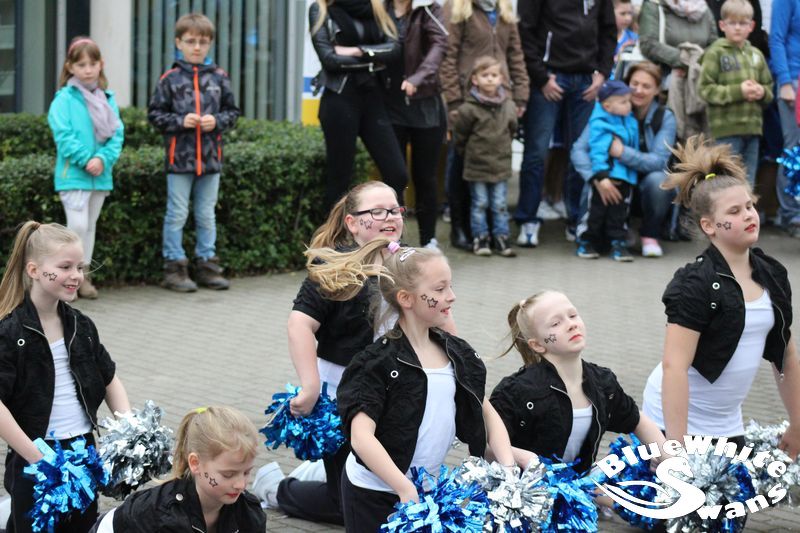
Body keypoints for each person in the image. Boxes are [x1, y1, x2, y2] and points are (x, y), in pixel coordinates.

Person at [310, 238, 515, 531]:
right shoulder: (375, 363)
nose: (452, 297)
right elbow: (361, 438)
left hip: (427, 490)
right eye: (440, 289)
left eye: (450, 286)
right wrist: (404, 488)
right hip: (374, 494)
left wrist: (507, 468)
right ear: (406, 299)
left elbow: (486, 411)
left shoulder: (457, 353)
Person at [641, 136, 800, 459]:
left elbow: (786, 355)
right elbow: (674, 367)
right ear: (709, 225)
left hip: (727, 425)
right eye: (735, 211)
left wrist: (798, 424)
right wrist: (675, 448)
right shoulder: (696, 282)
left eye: (750, 206)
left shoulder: (772, 274)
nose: (749, 215)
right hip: (673, 422)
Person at [263, 182, 407, 525]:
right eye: (377, 211)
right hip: (344, 398)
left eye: (395, 209)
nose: (389, 217)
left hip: (399, 394)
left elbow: (441, 321)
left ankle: (331, 477)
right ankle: (276, 489)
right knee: (349, 508)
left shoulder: (410, 263)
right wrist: (310, 386)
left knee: (389, 492)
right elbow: (299, 324)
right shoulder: (335, 267)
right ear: (352, 223)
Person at [0, 221, 131, 533]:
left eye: (80, 267)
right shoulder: (10, 332)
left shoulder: (81, 325)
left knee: (83, 525)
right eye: (65, 267)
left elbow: (109, 377)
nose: (76, 276)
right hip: (36, 455)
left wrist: (129, 428)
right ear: (34, 270)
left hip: (83, 450)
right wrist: (37, 458)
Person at [490, 290, 665, 474]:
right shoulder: (516, 391)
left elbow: (636, 420)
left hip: (579, 486)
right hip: (527, 488)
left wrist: (668, 457)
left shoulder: (602, 382)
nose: (571, 325)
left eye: (572, 315)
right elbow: (485, 444)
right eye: (556, 323)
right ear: (537, 345)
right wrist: (524, 459)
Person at [148, 13, 240, 293]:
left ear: (210, 43)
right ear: (179, 42)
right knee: (176, 214)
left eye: (202, 42)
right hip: (179, 161)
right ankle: (174, 267)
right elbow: (154, 115)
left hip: (211, 161)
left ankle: (207, 265)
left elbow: (232, 113)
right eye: (190, 41)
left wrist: (217, 121)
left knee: (206, 214)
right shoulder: (169, 79)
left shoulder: (220, 77)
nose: (196, 47)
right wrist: (180, 121)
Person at [516, 0, 616, 247]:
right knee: (536, 152)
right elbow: (525, 30)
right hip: (549, 77)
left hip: (586, 80)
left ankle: (576, 220)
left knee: (579, 153)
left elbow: (608, 29)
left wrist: (603, 73)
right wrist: (540, 77)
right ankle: (528, 219)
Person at [439, 0, 529, 250]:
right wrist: (454, 100)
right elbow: (448, 57)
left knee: (493, 162)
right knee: (459, 163)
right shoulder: (458, 8)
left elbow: (515, 55)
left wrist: (520, 95)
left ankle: (489, 232)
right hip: (467, 100)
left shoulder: (504, 10)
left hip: (501, 99)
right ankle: (459, 227)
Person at [90, 406, 266, 532]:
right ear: (195, 463)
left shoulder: (248, 512)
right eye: (228, 474)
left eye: (246, 472)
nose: (241, 484)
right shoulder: (163, 517)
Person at [308, 0, 408, 210]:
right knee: (340, 179)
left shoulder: (378, 7)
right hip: (340, 98)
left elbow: (395, 48)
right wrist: (374, 60)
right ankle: (335, 231)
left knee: (397, 174)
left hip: (372, 97)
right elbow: (329, 59)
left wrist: (358, 51)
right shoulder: (321, 8)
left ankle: (385, 226)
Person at [572, 61, 677, 258]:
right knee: (592, 180)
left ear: (657, 90)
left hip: (642, 185)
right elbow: (578, 150)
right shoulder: (607, 108)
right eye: (634, 84)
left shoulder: (665, 117)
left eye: (646, 86)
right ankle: (589, 237)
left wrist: (622, 152)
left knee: (660, 181)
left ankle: (649, 234)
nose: (639, 90)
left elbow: (659, 161)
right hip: (610, 179)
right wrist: (597, 177)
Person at [48, 36, 124, 300]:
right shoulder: (63, 99)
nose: (88, 70)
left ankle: (83, 276)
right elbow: (63, 136)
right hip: (73, 175)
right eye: (81, 65)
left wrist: (102, 159)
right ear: (70, 67)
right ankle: (64, 277)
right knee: (77, 226)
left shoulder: (108, 99)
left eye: (92, 64)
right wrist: (86, 159)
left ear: (101, 64)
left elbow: (117, 135)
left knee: (90, 226)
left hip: (100, 175)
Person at [383, 0, 448, 248]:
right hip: (390, 104)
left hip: (425, 104)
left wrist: (418, 78)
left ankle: (428, 239)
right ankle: (394, 241)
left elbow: (440, 44)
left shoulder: (429, 8)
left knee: (425, 177)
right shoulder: (380, 8)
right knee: (394, 177)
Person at [699, 0, 773, 187]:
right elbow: (705, 90)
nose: (738, 28)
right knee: (726, 181)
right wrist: (739, 91)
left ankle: (747, 206)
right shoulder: (715, 53)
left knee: (747, 181)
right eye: (732, 23)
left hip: (753, 130)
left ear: (752, 26)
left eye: (743, 23)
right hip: (725, 131)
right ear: (722, 25)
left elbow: (769, 89)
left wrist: (762, 92)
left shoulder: (756, 54)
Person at [452, 56, 518, 257]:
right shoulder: (468, 109)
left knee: (499, 204)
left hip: (500, 165)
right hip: (476, 166)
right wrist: (470, 154)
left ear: (501, 79)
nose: (490, 79)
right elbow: (460, 136)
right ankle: (480, 238)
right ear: (475, 79)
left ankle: (501, 237)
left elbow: (512, 129)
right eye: (485, 75)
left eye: (494, 75)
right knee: (480, 203)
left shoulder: (509, 106)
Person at [576, 80, 639, 261]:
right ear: (607, 106)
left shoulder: (630, 121)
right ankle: (586, 240)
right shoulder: (600, 123)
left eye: (628, 101)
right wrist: (601, 175)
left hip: (625, 177)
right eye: (623, 102)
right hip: (605, 177)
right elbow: (596, 151)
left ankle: (618, 243)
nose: (629, 105)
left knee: (619, 213)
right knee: (596, 212)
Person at [769, 0, 800, 236]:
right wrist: (785, 81)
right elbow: (776, 39)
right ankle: (791, 214)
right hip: (794, 81)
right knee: (794, 150)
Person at [614, 0, 639, 66]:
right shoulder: (599, 38)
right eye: (623, 14)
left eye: (630, 13)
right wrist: (620, 55)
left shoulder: (635, 39)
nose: (628, 18)